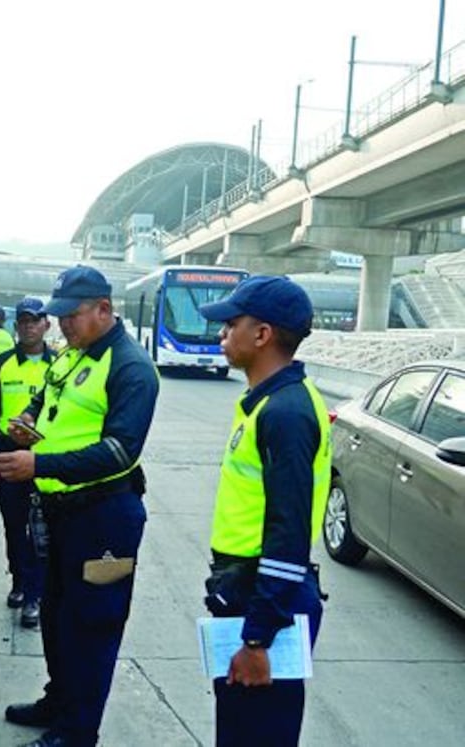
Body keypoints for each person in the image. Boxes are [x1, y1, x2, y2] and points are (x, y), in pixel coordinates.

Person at [0, 266, 160, 747]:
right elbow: (46, 403)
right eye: (59, 316)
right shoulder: (71, 356)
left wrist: (38, 462)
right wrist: (27, 422)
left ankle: (77, 731)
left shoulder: (131, 367)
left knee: (93, 625)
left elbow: (119, 451)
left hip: (106, 519)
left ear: (104, 309)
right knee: (56, 614)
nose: (63, 324)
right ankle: (58, 700)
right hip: (61, 513)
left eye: (73, 315)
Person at [196, 275, 331, 747]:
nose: (221, 334)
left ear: (262, 334)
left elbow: (287, 533)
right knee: (240, 728)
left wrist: (257, 639)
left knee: (257, 734)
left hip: (266, 600)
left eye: (231, 324)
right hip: (249, 592)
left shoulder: (286, 413)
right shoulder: (268, 402)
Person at [0, 297, 55, 629]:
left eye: (35, 320)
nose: (28, 326)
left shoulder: (61, 365)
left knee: (41, 531)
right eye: (23, 321)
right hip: (8, 457)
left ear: (46, 325)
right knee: (14, 527)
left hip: (45, 459)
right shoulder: (0, 364)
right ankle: (19, 582)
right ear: (16, 326)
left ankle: (35, 596)